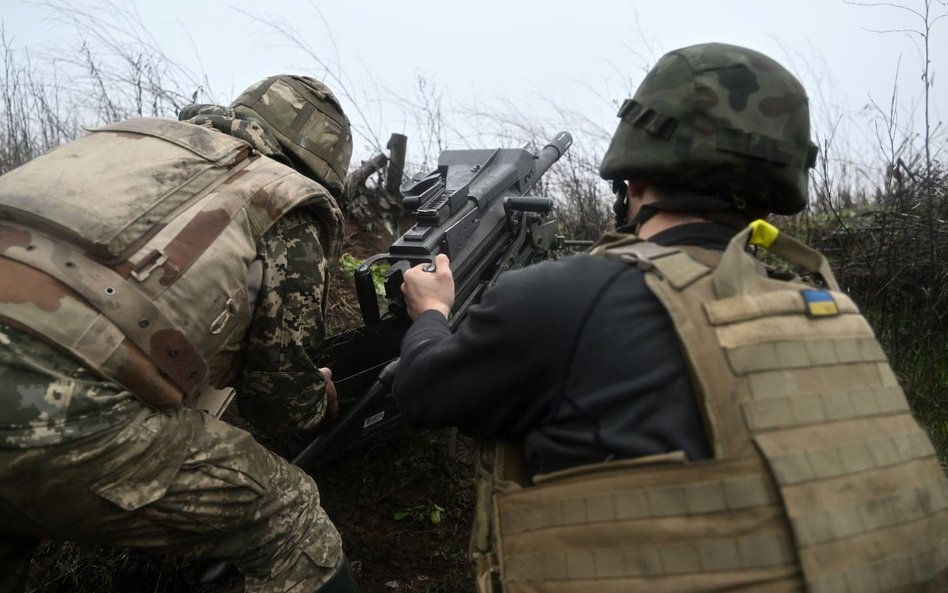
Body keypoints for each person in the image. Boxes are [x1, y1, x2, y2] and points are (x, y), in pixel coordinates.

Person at [395, 43, 948, 592]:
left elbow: (424, 393)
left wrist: (432, 312)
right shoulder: (826, 311)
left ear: (633, 175)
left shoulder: (562, 299)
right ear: (775, 189)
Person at [0, 75, 361, 593]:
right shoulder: (282, 196)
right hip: (53, 408)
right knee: (289, 520)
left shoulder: (128, 143)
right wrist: (314, 397)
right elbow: (279, 405)